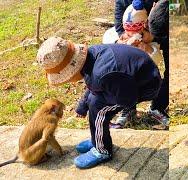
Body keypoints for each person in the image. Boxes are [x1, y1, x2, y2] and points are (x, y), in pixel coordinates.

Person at [37, 37, 161, 169]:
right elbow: (94, 87)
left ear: (73, 70)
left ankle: (103, 150)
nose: (69, 81)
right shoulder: (91, 57)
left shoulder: (102, 74)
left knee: (98, 109)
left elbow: (126, 99)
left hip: (142, 87)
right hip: (127, 79)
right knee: (94, 101)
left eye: (68, 79)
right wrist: (83, 105)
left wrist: (99, 103)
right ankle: (97, 139)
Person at [109, 1, 164, 129]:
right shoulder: (122, 3)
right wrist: (124, 37)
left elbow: (157, 57)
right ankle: (127, 109)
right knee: (125, 78)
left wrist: (148, 41)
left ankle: (157, 107)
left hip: (152, 36)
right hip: (128, 54)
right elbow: (118, 22)